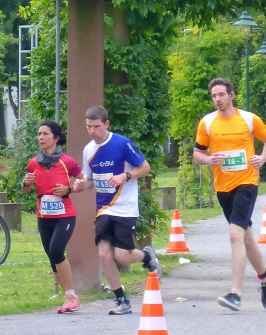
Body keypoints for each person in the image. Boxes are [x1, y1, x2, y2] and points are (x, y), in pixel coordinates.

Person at [193, 78, 266, 312]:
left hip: (246, 183)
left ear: (231, 95)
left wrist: (262, 158)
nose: (217, 99)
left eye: (221, 94)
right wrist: (209, 159)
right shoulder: (207, 122)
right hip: (223, 187)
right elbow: (197, 154)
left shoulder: (249, 119)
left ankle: (235, 294)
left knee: (234, 235)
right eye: (214, 96)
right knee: (246, 239)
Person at [72, 105, 162, 315]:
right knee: (104, 255)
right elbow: (90, 180)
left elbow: (145, 167)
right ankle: (122, 300)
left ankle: (147, 257)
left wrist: (125, 176)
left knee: (122, 256)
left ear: (106, 124)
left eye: (96, 126)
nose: (92, 131)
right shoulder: (88, 150)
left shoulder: (122, 144)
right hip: (103, 209)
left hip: (125, 208)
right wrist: (80, 185)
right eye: (88, 126)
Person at [22, 121, 83, 314]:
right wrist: (26, 182)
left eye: (45, 134)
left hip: (65, 215)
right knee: (52, 256)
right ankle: (70, 298)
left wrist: (68, 188)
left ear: (56, 138)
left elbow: (83, 181)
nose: (41, 137)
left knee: (56, 250)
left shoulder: (67, 162)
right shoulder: (33, 163)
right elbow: (26, 190)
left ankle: (71, 295)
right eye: (39, 134)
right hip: (44, 215)